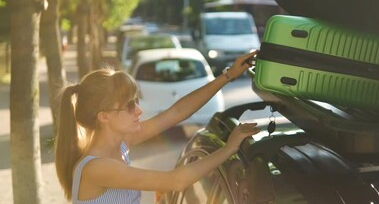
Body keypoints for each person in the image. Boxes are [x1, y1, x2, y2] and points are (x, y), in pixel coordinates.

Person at [55, 51, 260, 203]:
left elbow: (176, 112)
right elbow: (177, 181)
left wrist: (228, 76)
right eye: (128, 106)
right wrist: (229, 149)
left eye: (135, 101)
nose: (138, 110)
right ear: (104, 117)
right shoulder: (96, 167)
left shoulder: (122, 143)